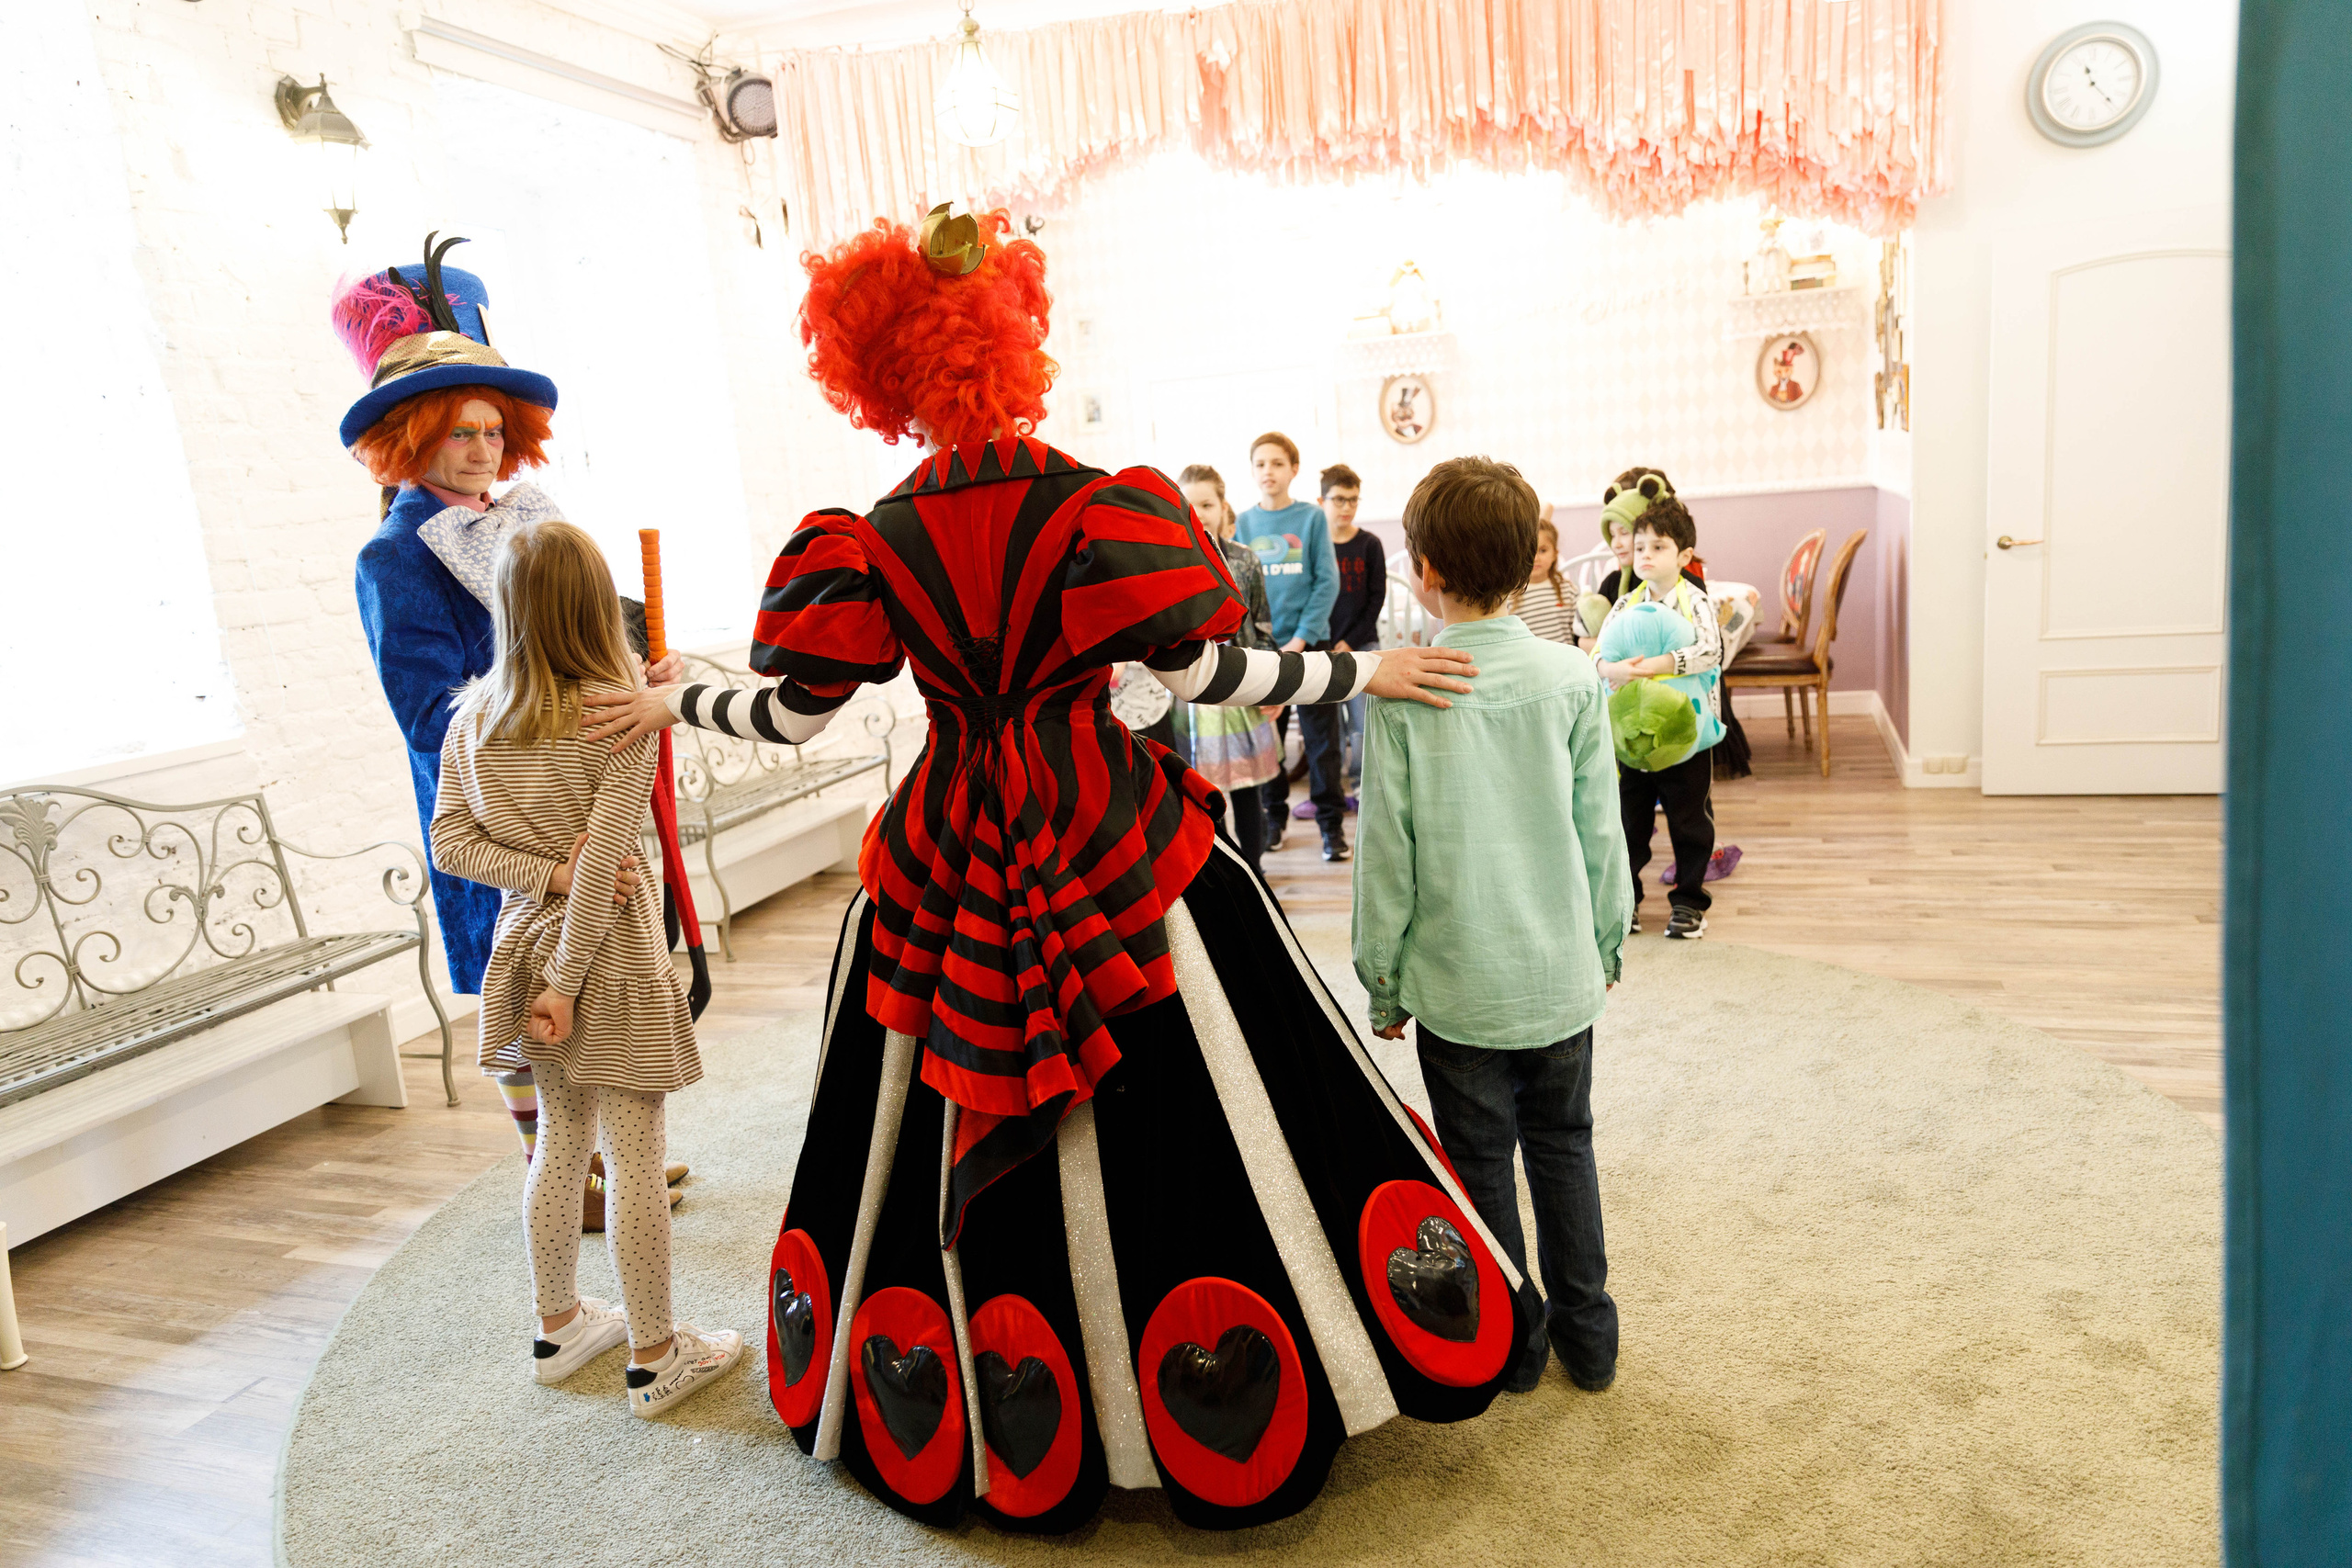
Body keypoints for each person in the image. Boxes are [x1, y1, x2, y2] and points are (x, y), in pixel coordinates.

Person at [581, 205, 1533, 1535]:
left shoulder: (868, 536)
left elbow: (795, 712)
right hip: (1115, 835)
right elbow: (1211, 676)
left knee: (912, 1089)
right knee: (1216, 1080)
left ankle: (996, 1395)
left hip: (946, 844)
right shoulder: (1100, 504)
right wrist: (1368, 668)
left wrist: (679, 702)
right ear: (1013, 344)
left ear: (884, 377)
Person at [336, 236, 700, 1227]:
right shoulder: (393, 556)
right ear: (410, 439)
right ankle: (561, 1170)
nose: (481, 450)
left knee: (594, 971)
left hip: (583, 792)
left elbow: (592, 627)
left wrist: (641, 670)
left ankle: (600, 1152)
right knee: (522, 984)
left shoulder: (526, 521)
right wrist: (543, 714)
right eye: (458, 432)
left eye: (494, 431)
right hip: (496, 810)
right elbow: (426, 713)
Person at [429, 519, 743, 1418]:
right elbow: (604, 860)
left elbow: (451, 843)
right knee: (635, 1150)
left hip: (520, 952)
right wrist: (568, 968)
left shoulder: (471, 717)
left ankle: (559, 1325)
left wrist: (538, 879)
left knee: (561, 1141)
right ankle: (655, 1354)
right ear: (592, 602)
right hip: (597, 962)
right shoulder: (617, 718)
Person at [1353, 455, 1630, 1397]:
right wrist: (1607, 937)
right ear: (1527, 566)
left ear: (1423, 571)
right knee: (1567, 1143)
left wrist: (1380, 975)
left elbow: (1388, 854)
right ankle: (1591, 1340)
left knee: (1479, 1168)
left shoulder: (1405, 692)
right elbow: (1603, 832)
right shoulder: (1572, 676)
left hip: (1459, 989)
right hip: (1558, 977)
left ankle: (1515, 1349)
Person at [1594, 492, 1723, 939]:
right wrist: (1611, 669)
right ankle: (1626, 899)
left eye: (1659, 547)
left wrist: (1658, 665)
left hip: (1687, 735)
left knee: (1690, 821)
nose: (1645, 555)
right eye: (1641, 546)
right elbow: (1596, 655)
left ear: (1684, 555)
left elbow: (1711, 650)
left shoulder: (1697, 600)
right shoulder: (1625, 604)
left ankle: (1689, 902)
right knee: (1629, 823)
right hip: (1633, 738)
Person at [1239, 433, 1348, 861]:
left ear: (1294, 469)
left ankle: (1330, 827)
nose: (1269, 471)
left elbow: (1327, 582)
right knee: (1269, 740)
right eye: (1261, 463)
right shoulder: (1244, 523)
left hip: (1310, 645)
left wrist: (1300, 641)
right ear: (1252, 471)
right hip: (1263, 651)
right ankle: (1274, 819)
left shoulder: (1311, 518)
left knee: (1323, 741)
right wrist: (1266, 647)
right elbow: (1240, 588)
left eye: (1277, 463)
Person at [1173, 464, 1282, 873]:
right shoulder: (1171, 562)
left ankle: (1255, 871)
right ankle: (1222, 874)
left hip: (1244, 685)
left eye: (1207, 503)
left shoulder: (1245, 560)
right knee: (1204, 793)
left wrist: (1274, 688)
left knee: (1249, 790)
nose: (1199, 513)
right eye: (1190, 504)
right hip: (1195, 696)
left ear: (1222, 507)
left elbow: (1264, 625)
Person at [1320, 464, 1385, 804]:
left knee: (1363, 725)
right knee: (1332, 725)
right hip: (1323, 649)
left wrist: (1351, 641)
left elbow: (1376, 599)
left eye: (1354, 500)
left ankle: (1362, 785)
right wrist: (1328, 643)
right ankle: (1335, 785)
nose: (1347, 507)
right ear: (1322, 500)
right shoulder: (1316, 546)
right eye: (1340, 499)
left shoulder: (1369, 544)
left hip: (1362, 645)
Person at [1510, 517, 1579, 646]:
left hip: (1565, 661)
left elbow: (1578, 634)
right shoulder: (1510, 596)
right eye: (1529, 551)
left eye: (1543, 550)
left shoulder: (1569, 591)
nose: (1535, 558)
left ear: (1555, 554)